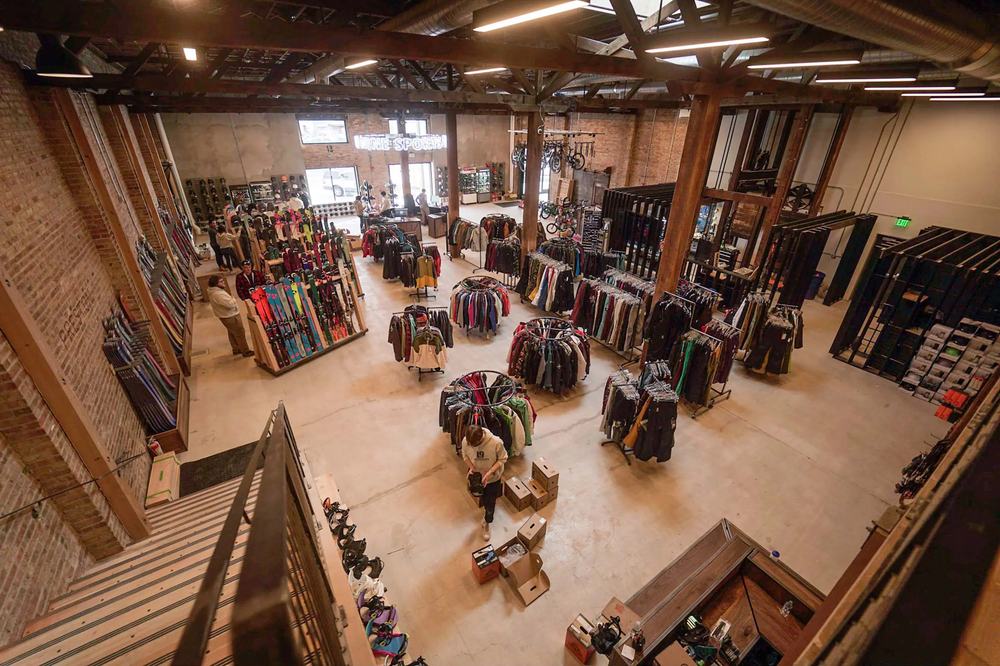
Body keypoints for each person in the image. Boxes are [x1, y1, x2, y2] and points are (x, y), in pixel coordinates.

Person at [462, 425, 508, 541]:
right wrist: (472, 468)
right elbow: (465, 455)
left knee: (490, 502)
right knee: (481, 497)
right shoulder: (465, 442)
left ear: (480, 438)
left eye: (475, 445)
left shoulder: (496, 443)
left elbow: (503, 458)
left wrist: (489, 473)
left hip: (492, 479)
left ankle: (487, 522)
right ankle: (486, 515)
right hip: (477, 478)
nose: (471, 446)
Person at [207, 275, 254, 357]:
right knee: (240, 333)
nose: (223, 282)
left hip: (225, 316)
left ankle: (236, 348)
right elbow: (229, 305)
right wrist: (233, 299)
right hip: (230, 316)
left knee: (232, 332)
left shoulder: (214, 291)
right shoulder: (218, 294)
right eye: (221, 282)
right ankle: (245, 351)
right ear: (215, 284)